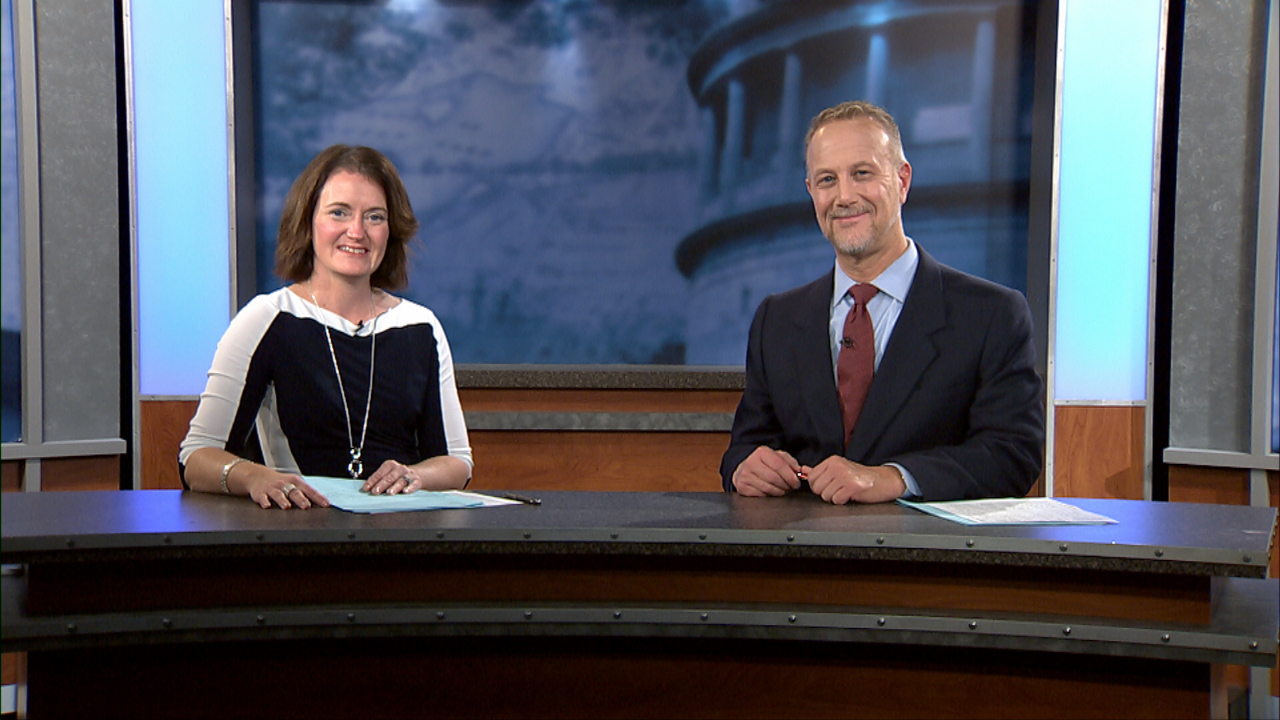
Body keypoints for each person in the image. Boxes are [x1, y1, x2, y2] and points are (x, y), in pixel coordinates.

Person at [721, 101, 1044, 504]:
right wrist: (744, 467)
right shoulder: (777, 319)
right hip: (800, 556)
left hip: (925, 559)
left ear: (902, 180)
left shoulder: (991, 314)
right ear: (811, 192)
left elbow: (1013, 455)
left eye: (862, 174)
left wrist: (895, 479)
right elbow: (744, 447)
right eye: (826, 180)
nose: (844, 196)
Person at [180, 144, 472, 509]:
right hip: (303, 536)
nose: (357, 231)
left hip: (403, 536)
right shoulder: (268, 318)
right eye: (339, 213)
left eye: (375, 217)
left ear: (390, 231)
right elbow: (195, 458)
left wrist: (417, 476)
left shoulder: (421, 327)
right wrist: (254, 475)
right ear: (308, 221)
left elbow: (457, 463)